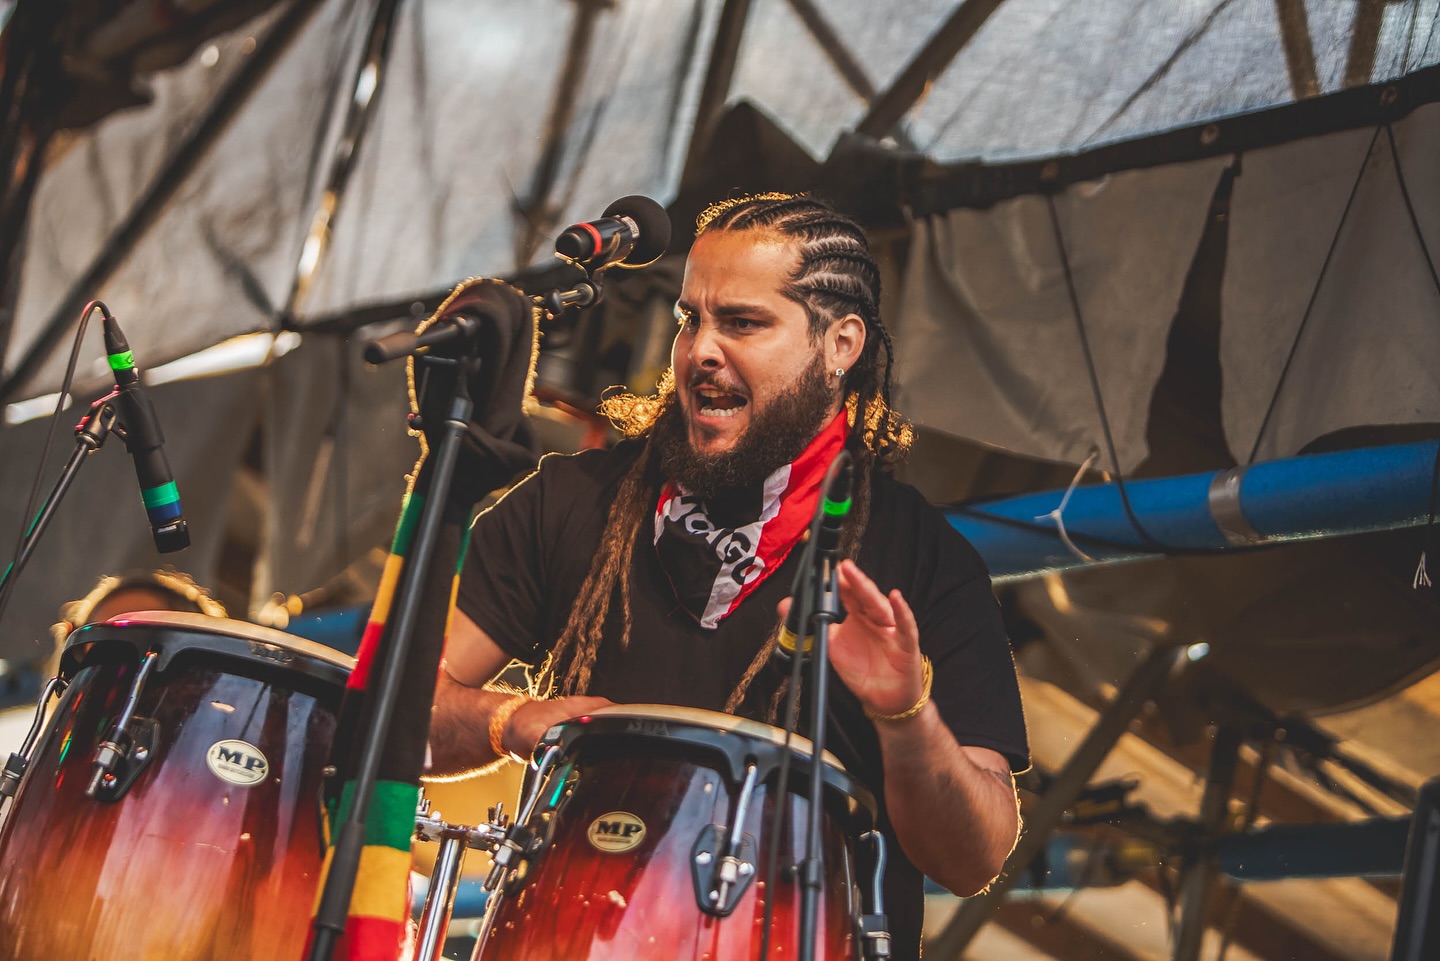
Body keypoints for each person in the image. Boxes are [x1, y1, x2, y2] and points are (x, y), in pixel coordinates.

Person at [428, 193, 1029, 959]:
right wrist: (504, 720)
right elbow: (401, 714)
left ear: (839, 343)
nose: (700, 350)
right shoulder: (570, 501)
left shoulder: (925, 559)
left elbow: (974, 859)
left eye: (742, 322)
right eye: (690, 319)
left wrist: (908, 718)